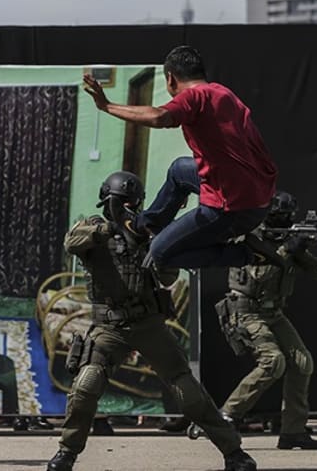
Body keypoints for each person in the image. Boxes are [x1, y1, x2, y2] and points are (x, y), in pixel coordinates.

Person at [45, 171, 256, 471]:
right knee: (85, 385)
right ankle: (67, 452)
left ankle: (234, 453)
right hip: (109, 328)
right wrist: (110, 229)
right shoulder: (93, 227)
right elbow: (72, 241)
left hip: (148, 325)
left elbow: (169, 275)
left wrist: (156, 245)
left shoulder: (150, 231)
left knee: (188, 392)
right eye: (120, 203)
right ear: (108, 202)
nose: (127, 209)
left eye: (130, 204)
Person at [83, 45, 278, 270]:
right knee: (179, 170)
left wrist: (106, 106)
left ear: (170, 79)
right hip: (258, 197)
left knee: (160, 254)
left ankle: (248, 254)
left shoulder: (193, 96)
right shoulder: (224, 94)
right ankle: (142, 227)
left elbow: (159, 117)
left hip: (232, 210)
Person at [216, 191, 317, 450]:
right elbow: (258, 276)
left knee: (303, 362)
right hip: (244, 310)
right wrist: (288, 249)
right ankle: (227, 415)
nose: (284, 223)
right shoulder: (249, 239)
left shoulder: (286, 241)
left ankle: (293, 431)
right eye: (279, 218)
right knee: (273, 361)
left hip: (273, 314)